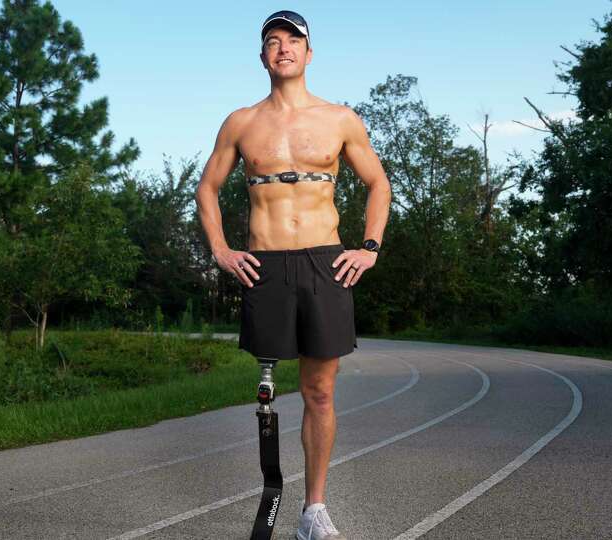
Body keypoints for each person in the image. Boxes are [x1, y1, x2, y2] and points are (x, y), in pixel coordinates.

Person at [194, 9, 392, 540]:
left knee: (320, 392)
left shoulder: (340, 119)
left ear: (308, 53)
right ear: (262, 56)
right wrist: (221, 249)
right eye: (273, 41)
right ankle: (272, 488)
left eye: (293, 40)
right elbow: (207, 188)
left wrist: (369, 247)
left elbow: (379, 184)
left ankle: (313, 512)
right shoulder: (240, 122)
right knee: (267, 387)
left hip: (325, 261)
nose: (283, 48)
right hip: (266, 264)